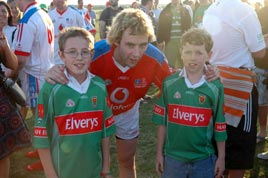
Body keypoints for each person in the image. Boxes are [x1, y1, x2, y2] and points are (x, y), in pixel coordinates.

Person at [45, 8, 218, 178]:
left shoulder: (154, 60)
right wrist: (54, 71)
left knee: (126, 160)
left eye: (143, 45)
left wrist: (207, 71)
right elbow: (69, 67)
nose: (137, 53)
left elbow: (180, 83)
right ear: (116, 40)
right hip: (93, 112)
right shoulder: (95, 54)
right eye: (130, 45)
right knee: (87, 162)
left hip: (127, 109)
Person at [33, 27, 115, 178]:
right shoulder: (51, 89)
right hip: (63, 172)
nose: (79, 57)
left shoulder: (99, 86)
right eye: (72, 52)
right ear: (61, 55)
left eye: (85, 52)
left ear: (92, 54)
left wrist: (106, 169)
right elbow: (41, 138)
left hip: (94, 172)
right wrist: (51, 175)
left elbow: (105, 133)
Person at [202, 0, 267, 178]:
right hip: (240, 85)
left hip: (214, 80)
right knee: (240, 144)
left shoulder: (210, 9)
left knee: (217, 137)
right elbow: (260, 52)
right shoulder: (245, 10)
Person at [152, 28, 226, 178]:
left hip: (204, 159)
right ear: (181, 52)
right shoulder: (169, 84)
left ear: (209, 55)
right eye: (188, 52)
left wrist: (222, 158)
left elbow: (220, 126)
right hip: (173, 158)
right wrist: (159, 153)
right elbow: (162, 122)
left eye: (199, 53)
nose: (193, 58)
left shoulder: (215, 87)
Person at [11, 0, 54, 172]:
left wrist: (9, 74)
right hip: (45, 72)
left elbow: (20, 58)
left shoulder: (28, 18)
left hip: (34, 76)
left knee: (40, 119)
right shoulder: (43, 13)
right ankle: (41, 151)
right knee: (43, 118)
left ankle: (46, 159)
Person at [0, 2, 31, 178]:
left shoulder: (3, 36)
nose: (2, 14)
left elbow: (12, 64)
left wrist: (5, 46)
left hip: (2, 93)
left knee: (4, 149)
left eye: (5, 12)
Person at [156, 0, 192, 70]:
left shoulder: (185, 11)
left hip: (183, 43)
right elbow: (161, 26)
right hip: (170, 43)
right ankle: (170, 80)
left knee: (185, 64)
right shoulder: (165, 11)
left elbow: (189, 26)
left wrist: (189, 40)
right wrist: (159, 40)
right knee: (169, 65)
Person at [49, 0, 85, 64]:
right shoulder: (49, 16)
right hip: (55, 56)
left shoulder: (75, 14)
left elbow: (84, 33)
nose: (57, 1)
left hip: (72, 54)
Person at [255, 0, 268, 145]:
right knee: (261, 103)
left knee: (263, 103)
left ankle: (263, 131)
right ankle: (262, 131)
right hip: (260, 64)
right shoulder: (258, 13)